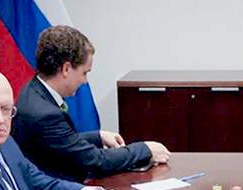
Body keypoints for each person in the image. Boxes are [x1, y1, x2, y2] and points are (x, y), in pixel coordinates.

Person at [12, 26, 170, 180]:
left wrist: (97, 137)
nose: (85, 81)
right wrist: (144, 149)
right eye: (84, 73)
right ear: (66, 69)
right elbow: (93, 161)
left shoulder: (32, 90)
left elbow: (61, 142)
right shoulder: (45, 114)